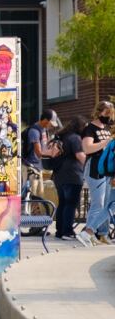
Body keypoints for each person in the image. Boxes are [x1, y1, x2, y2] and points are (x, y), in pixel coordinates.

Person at [50, 117, 110, 243]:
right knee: (71, 204)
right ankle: (67, 231)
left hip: (59, 175)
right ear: (80, 126)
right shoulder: (75, 138)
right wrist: (90, 167)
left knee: (63, 203)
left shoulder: (63, 137)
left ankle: (60, 231)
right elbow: (80, 155)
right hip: (72, 175)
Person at [86, 103, 114, 243]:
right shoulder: (90, 128)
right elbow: (87, 148)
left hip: (106, 169)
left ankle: (102, 233)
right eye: (107, 113)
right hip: (94, 168)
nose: (109, 116)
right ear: (99, 112)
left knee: (107, 203)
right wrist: (106, 142)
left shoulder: (107, 128)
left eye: (111, 113)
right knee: (98, 203)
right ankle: (88, 234)